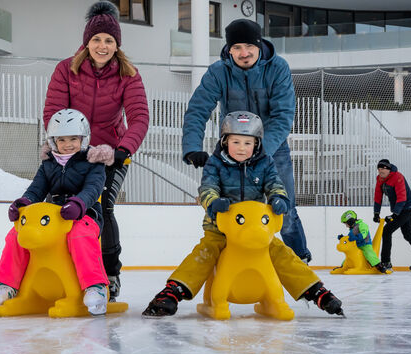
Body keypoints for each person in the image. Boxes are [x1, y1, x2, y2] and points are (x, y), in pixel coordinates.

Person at [142, 111, 343, 317]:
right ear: (224, 141)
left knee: (281, 252)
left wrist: (278, 197)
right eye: (235, 141)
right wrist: (213, 202)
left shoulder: (265, 163)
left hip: (255, 229)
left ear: (256, 144)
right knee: (205, 253)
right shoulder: (215, 163)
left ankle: (316, 290)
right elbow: (207, 188)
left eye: (248, 143)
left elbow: (274, 183)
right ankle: (173, 291)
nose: (241, 148)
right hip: (220, 228)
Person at [43, 1, 149, 301]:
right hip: (73, 152)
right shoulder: (67, 69)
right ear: (86, 41)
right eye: (96, 39)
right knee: (60, 207)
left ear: (117, 44)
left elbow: (140, 116)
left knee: (102, 209)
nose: (102, 46)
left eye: (109, 40)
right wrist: (64, 146)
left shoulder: (128, 74)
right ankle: (59, 271)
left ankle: (110, 274)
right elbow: (53, 111)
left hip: (110, 154)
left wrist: (123, 150)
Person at [181, 18, 311, 262]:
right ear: (229, 50)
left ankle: (300, 260)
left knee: (284, 207)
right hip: (232, 149)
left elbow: (283, 115)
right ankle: (229, 259)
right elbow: (198, 109)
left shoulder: (277, 68)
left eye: (249, 46)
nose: (244, 53)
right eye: (237, 47)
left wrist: (263, 151)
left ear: (259, 45)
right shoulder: (219, 72)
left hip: (272, 149)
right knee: (227, 209)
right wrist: (192, 148)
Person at [0, 109, 115, 314]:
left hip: (86, 214)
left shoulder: (94, 162)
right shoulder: (49, 163)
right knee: (17, 234)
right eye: (62, 139)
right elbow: (37, 189)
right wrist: (23, 204)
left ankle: (95, 286)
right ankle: (8, 285)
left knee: (79, 234)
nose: (68, 144)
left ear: (83, 138)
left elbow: (92, 189)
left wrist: (79, 204)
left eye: (74, 138)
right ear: (53, 140)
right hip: (54, 217)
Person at [373, 159, 411, 273]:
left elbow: (402, 197)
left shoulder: (398, 177)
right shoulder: (379, 179)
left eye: (383, 168)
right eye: (379, 169)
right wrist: (376, 213)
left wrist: (394, 214)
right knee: (408, 235)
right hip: (399, 209)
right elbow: (378, 195)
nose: (381, 171)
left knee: (387, 230)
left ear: (389, 169)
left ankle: (386, 262)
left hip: (407, 208)